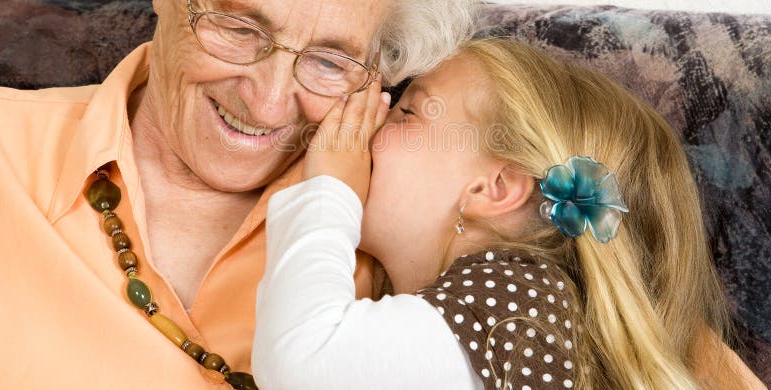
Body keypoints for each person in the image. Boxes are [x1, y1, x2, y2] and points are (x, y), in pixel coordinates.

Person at [0, 0, 481, 388]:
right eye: (240, 28)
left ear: (379, 73)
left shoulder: (406, 234)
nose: (267, 102)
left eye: (330, 61)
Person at [252, 37, 766, 389]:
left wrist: (325, 190)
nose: (378, 114)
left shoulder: (511, 300)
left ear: (494, 188)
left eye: (409, 111)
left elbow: (302, 364)